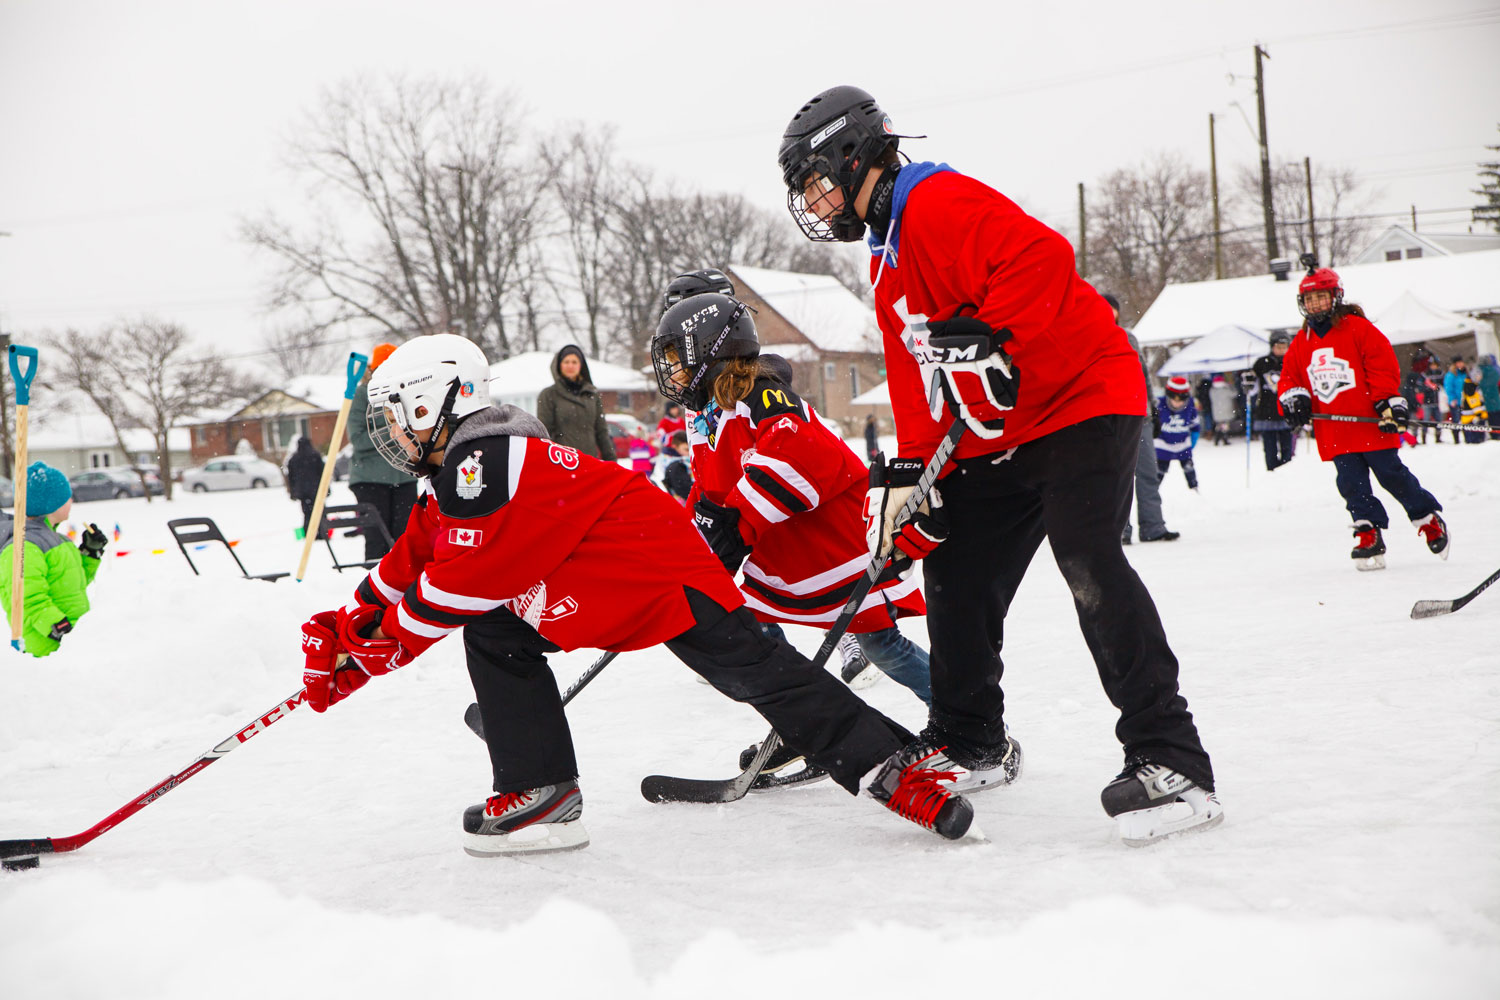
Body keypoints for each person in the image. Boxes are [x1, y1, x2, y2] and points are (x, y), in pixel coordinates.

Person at [299, 334, 982, 855]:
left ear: (433, 400)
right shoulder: (456, 475)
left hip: (659, 572)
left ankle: (894, 765)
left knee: (758, 676)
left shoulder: (488, 463)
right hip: (593, 588)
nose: (393, 433)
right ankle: (541, 790)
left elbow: (464, 582)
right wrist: (347, 622)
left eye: (397, 416)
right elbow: (409, 561)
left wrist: (370, 653)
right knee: (498, 634)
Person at [777, 85, 1219, 846]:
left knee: (1086, 557)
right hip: (993, 432)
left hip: (1082, 398)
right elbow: (916, 376)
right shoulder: (883, 259)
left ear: (853, 157)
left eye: (817, 180)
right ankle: (969, 738)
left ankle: (1173, 758)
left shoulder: (936, 201)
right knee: (955, 564)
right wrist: (914, 479)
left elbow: (1042, 260)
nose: (815, 201)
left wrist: (992, 333)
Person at [652, 291, 943, 790]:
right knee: (756, 636)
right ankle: (798, 723)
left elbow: (799, 457)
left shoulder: (764, 394)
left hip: (835, 544)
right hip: (786, 551)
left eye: (680, 360)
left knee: (880, 645)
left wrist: (736, 524)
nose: (673, 373)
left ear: (710, 351)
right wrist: (697, 538)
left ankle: (959, 719)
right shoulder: (709, 411)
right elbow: (714, 484)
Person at [1277, 265, 1450, 570]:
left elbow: (1381, 366)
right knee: (1351, 484)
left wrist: (1387, 401)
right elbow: (1290, 377)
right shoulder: (1301, 341)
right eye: (1310, 298)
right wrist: (1293, 398)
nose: (1315, 304)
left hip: (1369, 422)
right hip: (1335, 430)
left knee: (1391, 475)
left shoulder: (1357, 328)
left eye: (1321, 296)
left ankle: (1427, 518)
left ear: (1335, 296)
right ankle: (1368, 532)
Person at [0, 463, 106, 657]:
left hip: (72, 643)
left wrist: (90, 553)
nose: (71, 501)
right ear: (51, 504)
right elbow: (26, 598)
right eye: (67, 497)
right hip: (46, 649)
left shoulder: (58, 540)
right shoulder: (23, 546)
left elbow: (73, 582)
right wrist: (57, 626)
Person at [1105, 292, 1177, 544]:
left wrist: (1154, 408)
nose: (1110, 314)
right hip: (1114, 417)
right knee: (1118, 475)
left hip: (1140, 415)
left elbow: (1142, 373)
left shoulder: (1129, 338)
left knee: (1147, 472)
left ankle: (1153, 526)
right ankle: (1119, 530)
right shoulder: (1092, 338)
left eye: (1113, 309)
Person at [349, 343, 418, 560]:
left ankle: (405, 584)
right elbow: (358, 439)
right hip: (370, 479)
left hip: (404, 476)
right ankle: (373, 586)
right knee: (377, 538)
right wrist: (392, 430)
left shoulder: (406, 391)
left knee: (405, 539)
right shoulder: (362, 395)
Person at [535, 345, 616, 461]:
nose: (570, 366)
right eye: (566, 362)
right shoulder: (549, 395)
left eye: (574, 362)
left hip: (589, 461)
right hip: (562, 463)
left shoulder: (592, 394)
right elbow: (544, 434)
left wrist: (612, 461)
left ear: (581, 365)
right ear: (559, 365)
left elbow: (601, 431)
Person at [1251, 332, 1295, 470]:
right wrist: (1247, 383)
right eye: (1278, 347)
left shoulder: (1293, 360)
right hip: (1267, 409)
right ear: (1272, 347)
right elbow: (1253, 386)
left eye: (1284, 347)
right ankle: (1272, 470)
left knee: (1287, 445)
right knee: (1269, 446)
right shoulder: (1261, 363)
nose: (1281, 350)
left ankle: (1287, 468)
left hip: (1288, 408)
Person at [1154, 376, 1201, 490]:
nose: (1177, 404)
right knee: (1159, 470)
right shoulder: (1159, 404)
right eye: (1174, 400)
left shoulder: (1190, 406)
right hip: (1162, 445)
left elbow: (1195, 426)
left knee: (1189, 468)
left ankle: (1194, 489)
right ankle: (1153, 490)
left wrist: (1193, 439)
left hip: (1182, 444)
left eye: (1181, 401)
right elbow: (1151, 423)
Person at [286, 436, 326, 532]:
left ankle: (309, 532)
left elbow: (291, 478)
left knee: (307, 513)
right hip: (316, 489)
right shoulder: (315, 455)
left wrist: (293, 492)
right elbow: (323, 473)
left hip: (303, 492)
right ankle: (322, 532)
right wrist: (326, 489)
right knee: (320, 511)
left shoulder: (294, 459)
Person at [661, 430, 694, 503]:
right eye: (686, 449)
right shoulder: (676, 465)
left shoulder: (682, 462)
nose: (689, 453)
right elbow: (684, 489)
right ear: (675, 447)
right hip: (684, 504)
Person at [1442, 358, 1468, 444]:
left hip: (1465, 400)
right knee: (1456, 421)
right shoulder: (1451, 375)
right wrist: (1452, 398)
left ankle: (1467, 437)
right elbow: (1448, 388)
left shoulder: (1465, 373)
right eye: (1458, 363)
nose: (1460, 364)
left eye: (1461, 362)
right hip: (1456, 401)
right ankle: (1456, 439)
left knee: (1466, 420)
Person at [1475, 354, 1500, 441]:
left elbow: (1477, 383)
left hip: (1485, 399)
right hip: (1495, 398)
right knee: (1497, 416)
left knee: (1490, 417)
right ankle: (1497, 433)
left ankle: (1493, 434)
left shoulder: (1480, 371)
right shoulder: (1494, 370)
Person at [1207, 375, 1237, 445]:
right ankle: (1224, 439)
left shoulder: (1212, 390)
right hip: (1226, 411)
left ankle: (1217, 439)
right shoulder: (1226, 390)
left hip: (1217, 411)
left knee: (1219, 425)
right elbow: (1235, 393)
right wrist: (1230, 386)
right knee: (1225, 425)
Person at [1459, 374, 1488, 444]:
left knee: (1472, 438)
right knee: (1475, 440)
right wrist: (1478, 415)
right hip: (1472, 418)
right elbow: (1476, 406)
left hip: (1468, 418)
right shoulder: (1471, 391)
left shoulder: (1470, 389)